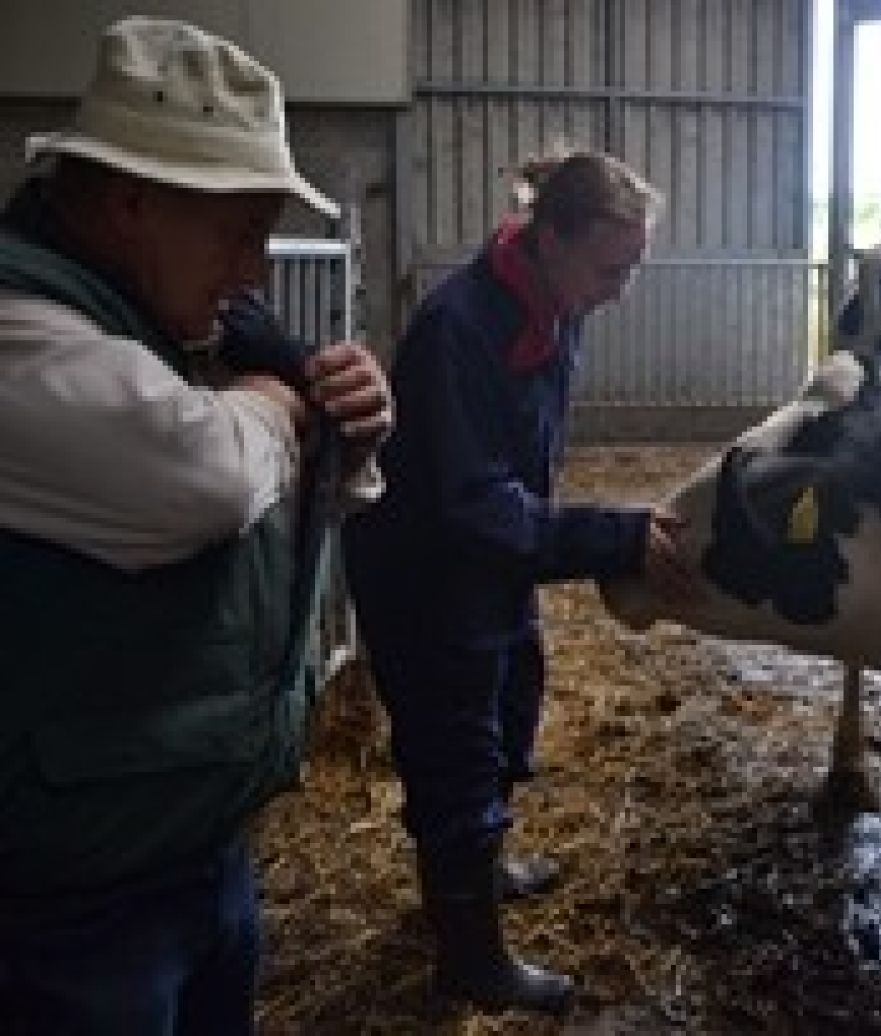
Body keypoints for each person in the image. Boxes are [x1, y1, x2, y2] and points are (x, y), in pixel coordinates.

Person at [0, 16, 392, 1035]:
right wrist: (282, 394)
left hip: (197, 853)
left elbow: (261, 520)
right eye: (240, 229)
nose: (258, 268)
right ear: (131, 201)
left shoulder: (155, 327)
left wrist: (346, 438)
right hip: (66, 909)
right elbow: (207, 479)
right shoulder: (22, 329)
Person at [341, 150, 694, 1014]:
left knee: (508, 704)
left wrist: (556, 532)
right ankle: (470, 959)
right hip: (428, 570)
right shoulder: (458, 328)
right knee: (455, 746)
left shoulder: (550, 308)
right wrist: (609, 537)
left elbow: (516, 477)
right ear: (550, 238)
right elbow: (469, 501)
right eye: (613, 267)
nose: (623, 288)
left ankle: (479, 871)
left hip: (492, 559)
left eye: (635, 267)